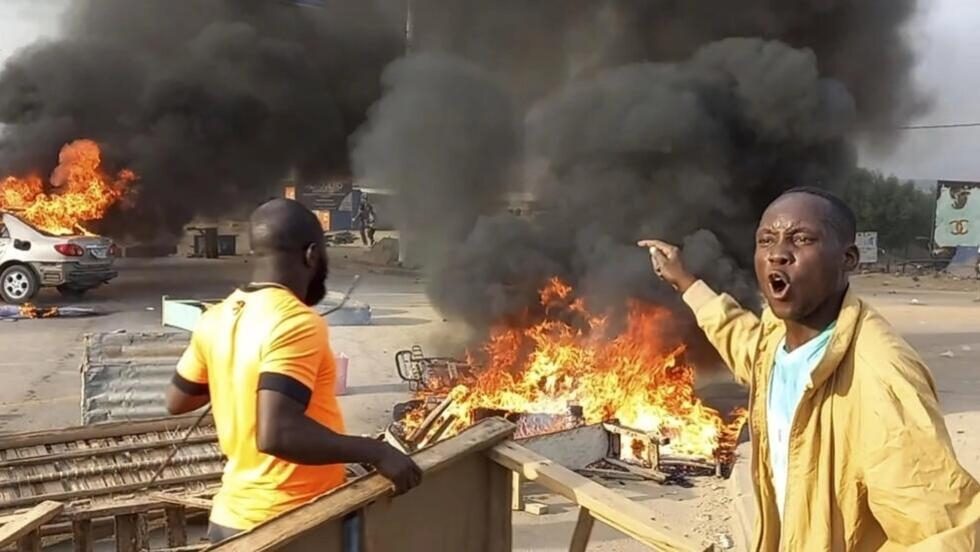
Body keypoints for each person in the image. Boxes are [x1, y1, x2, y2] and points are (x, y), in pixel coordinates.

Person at [639, 187, 980, 550]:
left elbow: (942, 531)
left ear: (848, 259)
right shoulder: (777, 341)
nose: (778, 255)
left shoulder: (879, 373)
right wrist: (686, 283)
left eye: (801, 239)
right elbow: (741, 341)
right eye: (766, 240)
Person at [166, 198, 421, 543]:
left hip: (231, 518)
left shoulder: (217, 316)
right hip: (289, 524)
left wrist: (237, 371)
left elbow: (178, 400)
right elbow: (278, 435)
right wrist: (376, 452)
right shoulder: (295, 321)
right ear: (312, 255)